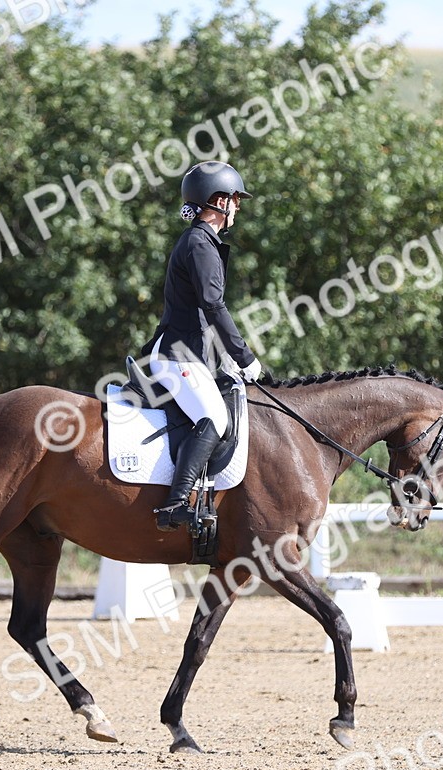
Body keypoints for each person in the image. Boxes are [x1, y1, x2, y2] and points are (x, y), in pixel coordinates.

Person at [140, 161, 263, 531]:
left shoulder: (201, 241)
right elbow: (213, 306)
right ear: (219, 201)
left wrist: (222, 358)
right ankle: (176, 503)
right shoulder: (199, 243)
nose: (238, 207)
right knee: (215, 418)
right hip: (179, 354)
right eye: (235, 200)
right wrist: (244, 357)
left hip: (190, 352)